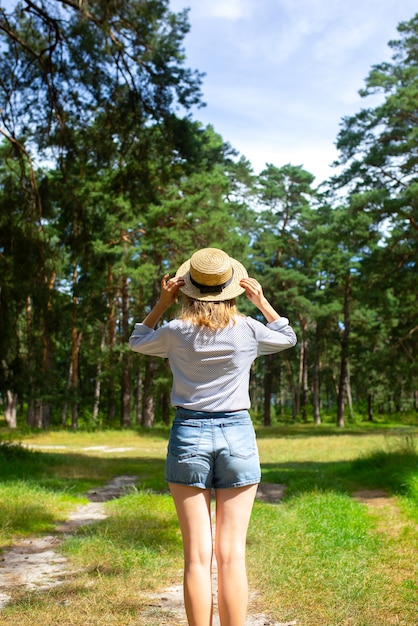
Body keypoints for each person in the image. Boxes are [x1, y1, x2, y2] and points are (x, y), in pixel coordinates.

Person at [129, 248, 297, 626]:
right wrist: (263, 301)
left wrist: (160, 303)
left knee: (196, 557)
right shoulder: (250, 330)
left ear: (187, 289)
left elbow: (138, 340)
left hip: (188, 433)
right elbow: (287, 337)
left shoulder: (174, 332)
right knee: (232, 555)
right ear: (232, 289)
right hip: (237, 434)